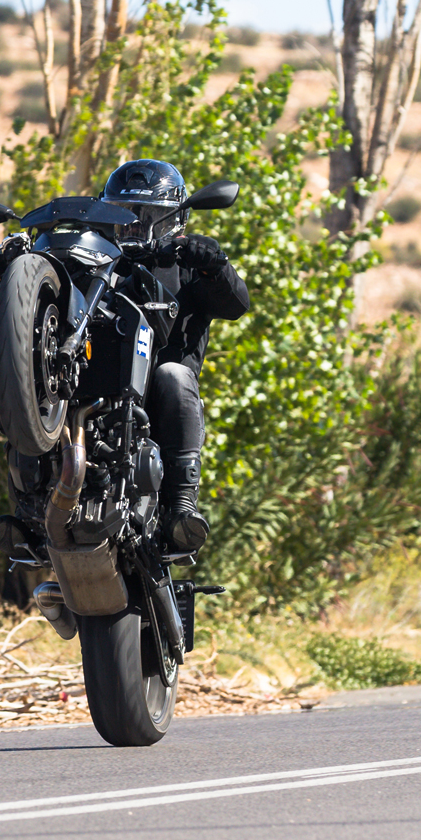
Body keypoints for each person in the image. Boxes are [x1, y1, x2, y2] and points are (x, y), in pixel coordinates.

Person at [98, 159, 250, 552]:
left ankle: (183, 502)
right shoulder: (97, 265)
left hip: (158, 402)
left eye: (150, 216)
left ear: (175, 219)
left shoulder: (187, 265)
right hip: (98, 390)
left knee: (174, 375)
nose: (136, 225)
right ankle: (30, 499)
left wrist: (216, 266)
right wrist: (1, 276)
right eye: (126, 214)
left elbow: (236, 304)